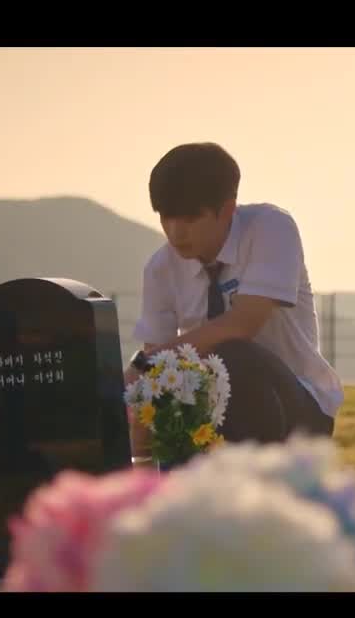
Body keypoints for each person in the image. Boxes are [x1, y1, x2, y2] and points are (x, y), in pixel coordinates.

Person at [125, 142, 342, 461]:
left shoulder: (270, 228)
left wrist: (145, 363)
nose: (175, 232)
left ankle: (256, 480)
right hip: (211, 410)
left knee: (233, 355)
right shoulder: (160, 268)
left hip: (298, 408)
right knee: (170, 390)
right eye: (166, 217)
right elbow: (157, 370)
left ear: (227, 210)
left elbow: (243, 324)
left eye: (190, 218)